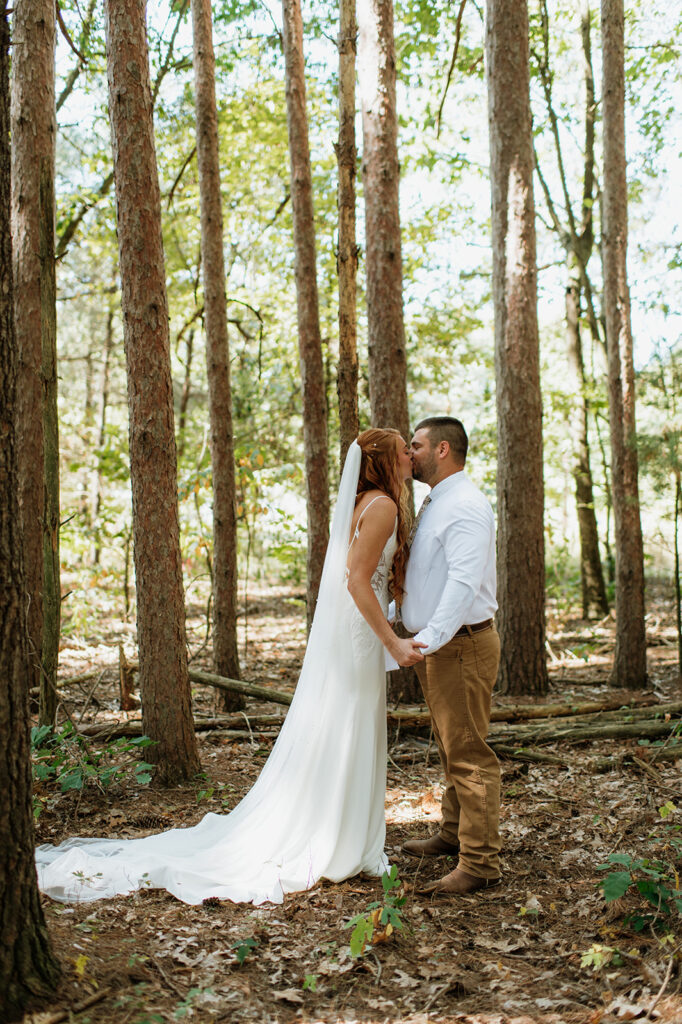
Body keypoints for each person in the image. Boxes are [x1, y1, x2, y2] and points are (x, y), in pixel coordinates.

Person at [36, 428, 424, 906]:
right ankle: (339, 842)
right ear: (384, 460)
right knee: (349, 724)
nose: (410, 454)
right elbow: (357, 581)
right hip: (360, 635)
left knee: (345, 724)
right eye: (403, 449)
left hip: (353, 633)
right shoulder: (382, 505)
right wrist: (394, 643)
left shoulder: (365, 501)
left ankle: (343, 833)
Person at [398, 416, 501, 895]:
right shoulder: (437, 502)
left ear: (442, 449)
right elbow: (430, 576)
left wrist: (429, 637)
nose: (409, 453)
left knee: (468, 752)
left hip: (460, 644)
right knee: (449, 744)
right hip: (444, 644)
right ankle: (451, 832)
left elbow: (462, 582)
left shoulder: (465, 505)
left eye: (415, 445)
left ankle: (479, 863)